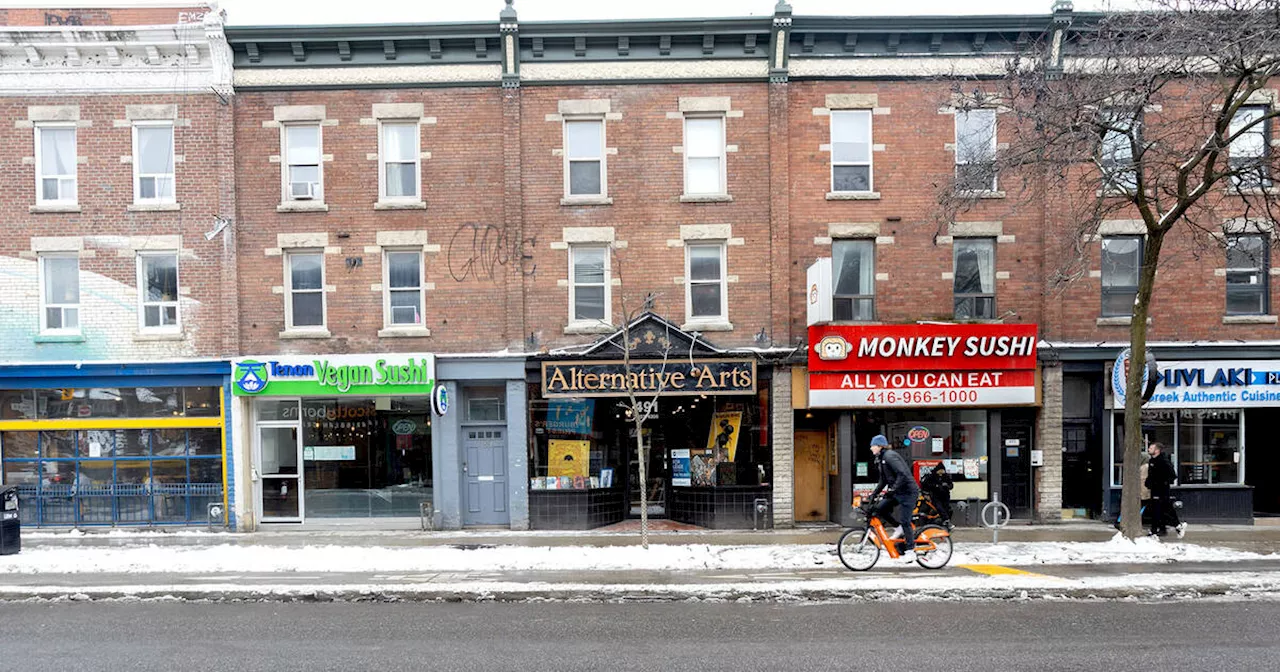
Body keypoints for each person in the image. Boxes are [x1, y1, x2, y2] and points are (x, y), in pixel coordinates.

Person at [868, 434, 920, 563]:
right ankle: (898, 527)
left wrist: (892, 489)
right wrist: (874, 494)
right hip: (897, 492)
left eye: (872, 445)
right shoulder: (881, 459)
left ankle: (910, 551)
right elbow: (883, 480)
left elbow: (902, 474)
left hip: (908, 492)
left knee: (905, 520)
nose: (871, 448)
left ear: (880, 446)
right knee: (879, 509)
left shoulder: (890, 456)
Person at [1145, 442, 1187, 538]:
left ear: (1157, 450)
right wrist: (1148, 483)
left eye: (1151, 448)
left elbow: (1172, 475)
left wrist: (1162, 483)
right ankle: (1161, 529)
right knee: (1158, 509)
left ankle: (1161, 529)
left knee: (1163, 509)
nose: (1148, 449)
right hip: (1154, 489)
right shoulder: (1152, 460)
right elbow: (1151, 475)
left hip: (1161, 490)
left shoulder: (1163, 461)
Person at [919, 462, 954, 528]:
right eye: (940, 470)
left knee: (946, 509)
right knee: (940, 508)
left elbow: (951, 485)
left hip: (945, 496)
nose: (942, 472)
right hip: (936, 496)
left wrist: (947, 486)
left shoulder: (946, 476)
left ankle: (944, 523)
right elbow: (925, 485)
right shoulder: (932, 477)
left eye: (943, 470)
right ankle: (946, 520)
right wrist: (935, 486)